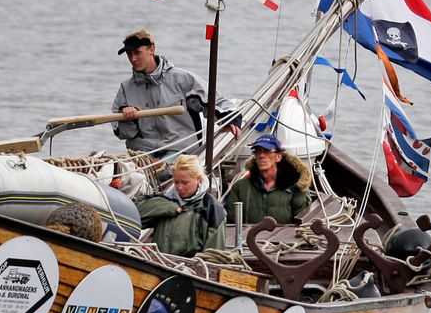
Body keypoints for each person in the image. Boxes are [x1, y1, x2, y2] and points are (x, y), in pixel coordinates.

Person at [112, 29, 239, 159]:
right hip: (141, 154)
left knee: (162, 172)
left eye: (137, 53)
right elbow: (123, 134)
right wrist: (128, 120)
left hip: (180, 153)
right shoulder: (125, 88)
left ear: (152, 49)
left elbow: (217, 104)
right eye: (129, 54)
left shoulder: (182, 80)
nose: (133, 59)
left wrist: (231, 120)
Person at [135, 154, 227, 256]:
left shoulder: (212, 209)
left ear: (199, 180)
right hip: (160, 262)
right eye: (176, 182)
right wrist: (168, 207)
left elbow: (214, 255)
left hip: (189, 268)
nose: (179, 188)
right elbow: (134, 216)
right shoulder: (166, 199)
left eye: (185, 183)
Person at [225, 133, 312, 225]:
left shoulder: (296, 186)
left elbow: (302, 223)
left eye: (267, 151)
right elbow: (232, 223)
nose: (261, 155)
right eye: (257, 151)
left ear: (278, 157)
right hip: (248, 238)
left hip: (284, 238)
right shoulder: (240, 187)